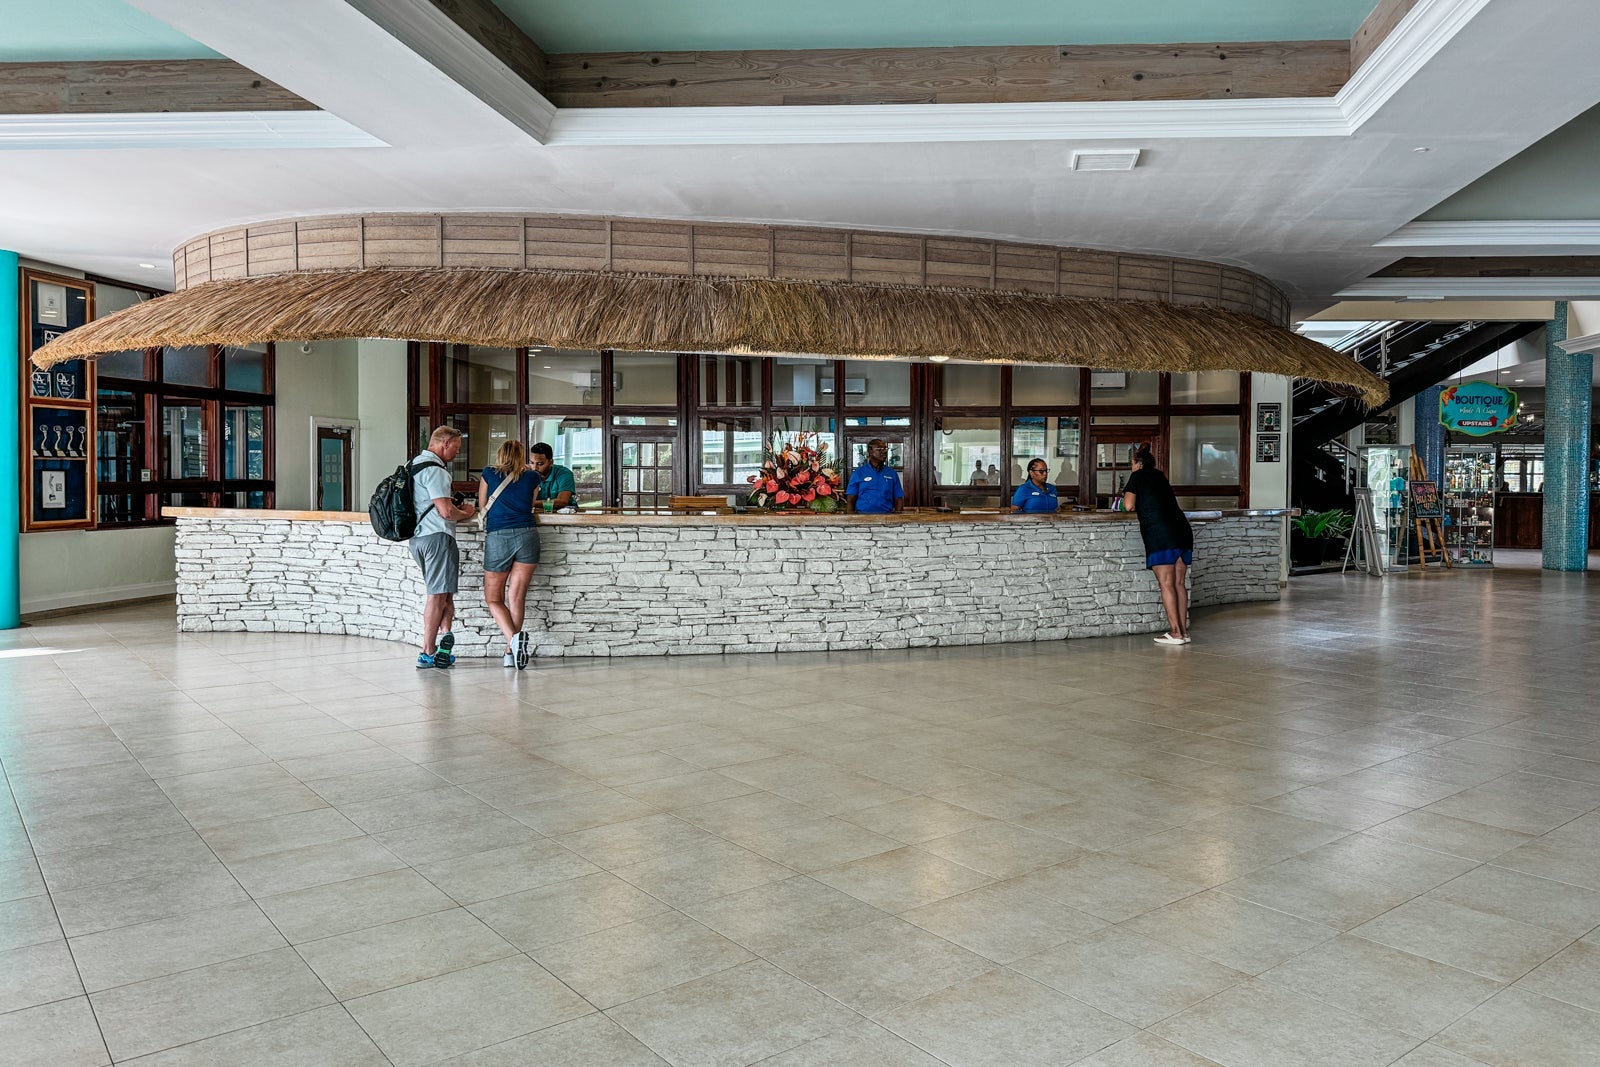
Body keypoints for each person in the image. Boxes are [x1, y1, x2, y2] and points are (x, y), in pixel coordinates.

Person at [410, 426, 476, 669]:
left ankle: (444, 640)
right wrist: (467, 512)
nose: (457, 453)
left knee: (444, 592)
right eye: (456, 448)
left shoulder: (413, 465)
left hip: (418, 538)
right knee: (437, 595)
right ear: (445, 443)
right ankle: (427, 651)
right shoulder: (436, 471)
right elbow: (446, 512)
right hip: (437, 537)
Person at [478, 440, 541, 671]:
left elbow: (482, 505)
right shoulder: (533, 477)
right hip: (528, 535)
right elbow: (530, 504)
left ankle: (513, 640)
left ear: (500, 454)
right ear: (522, 456)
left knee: (494, 598)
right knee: (516, 597)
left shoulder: (488, 473)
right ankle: (510, 652)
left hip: (498, 536)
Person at [1122, 447, 1194, 646]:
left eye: (1132, 463)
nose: (1131, 466)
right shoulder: (1160, 476)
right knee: (1179, 583)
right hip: (1182, 530)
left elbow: (1128, 505)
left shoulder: (1137, 476)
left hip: (1161, 533)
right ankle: (1183, 632)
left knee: (1166, 583)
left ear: (1138, 463)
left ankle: (1175, 633)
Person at [847, 439, 905, 513]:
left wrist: (898, 517)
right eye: (879, 449)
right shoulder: (858, 473)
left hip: (887, 517)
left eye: (885, 449)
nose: (884, 451)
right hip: (862, 516)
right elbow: (850, 499)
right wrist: (851, 518)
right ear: (870, 451)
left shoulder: (892, 473)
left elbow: (898, 498)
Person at [530, 442, 577, 512]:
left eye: (540, 464)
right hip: (538, 515)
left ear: (551, 462)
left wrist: (530, 503)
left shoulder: (564, 474)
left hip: (565, 516)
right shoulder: (528, 475)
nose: (534, 468)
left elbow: (562, 502)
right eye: (532, 463)